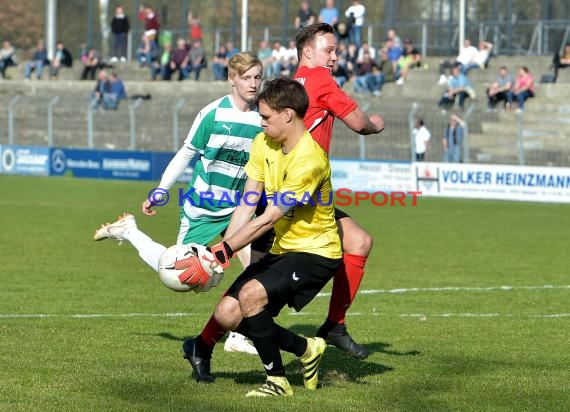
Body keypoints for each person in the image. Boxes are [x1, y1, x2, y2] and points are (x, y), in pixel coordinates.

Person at [180, 23, 384, 386]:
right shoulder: (316, 85)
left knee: (253, 295)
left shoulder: (295, 102)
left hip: (299, 205)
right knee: (243, 302)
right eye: (329, 50)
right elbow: (359, 123)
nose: (335, 57)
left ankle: (295, 353)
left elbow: (258, 206)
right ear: (308, 51)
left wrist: (222, 249)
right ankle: (311, 338)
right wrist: (376, 126)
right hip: (286, 209)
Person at [93, 51, 265, 367]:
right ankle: (129, 230)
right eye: (247, 77)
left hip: (239, 209)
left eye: (258, 77)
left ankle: (240, 335)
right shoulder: (212, 115)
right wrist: (161, 190)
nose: (253, 84)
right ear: (232, 79)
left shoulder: (262, 117)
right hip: (202, 208)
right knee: (184, 276)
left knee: (256, 268)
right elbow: (187, 154)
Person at [187, 77, 342, 397]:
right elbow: (246, 207)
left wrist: (221, 251)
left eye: (266, 117)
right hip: (284, 249)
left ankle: (278, 381)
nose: (261, 122)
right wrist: (219, 257)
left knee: (251, 296)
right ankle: (306, 348)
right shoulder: (263, 143)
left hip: (317, 253)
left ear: (288, 115)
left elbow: (269, 217)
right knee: (226, 314)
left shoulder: (310, 160)